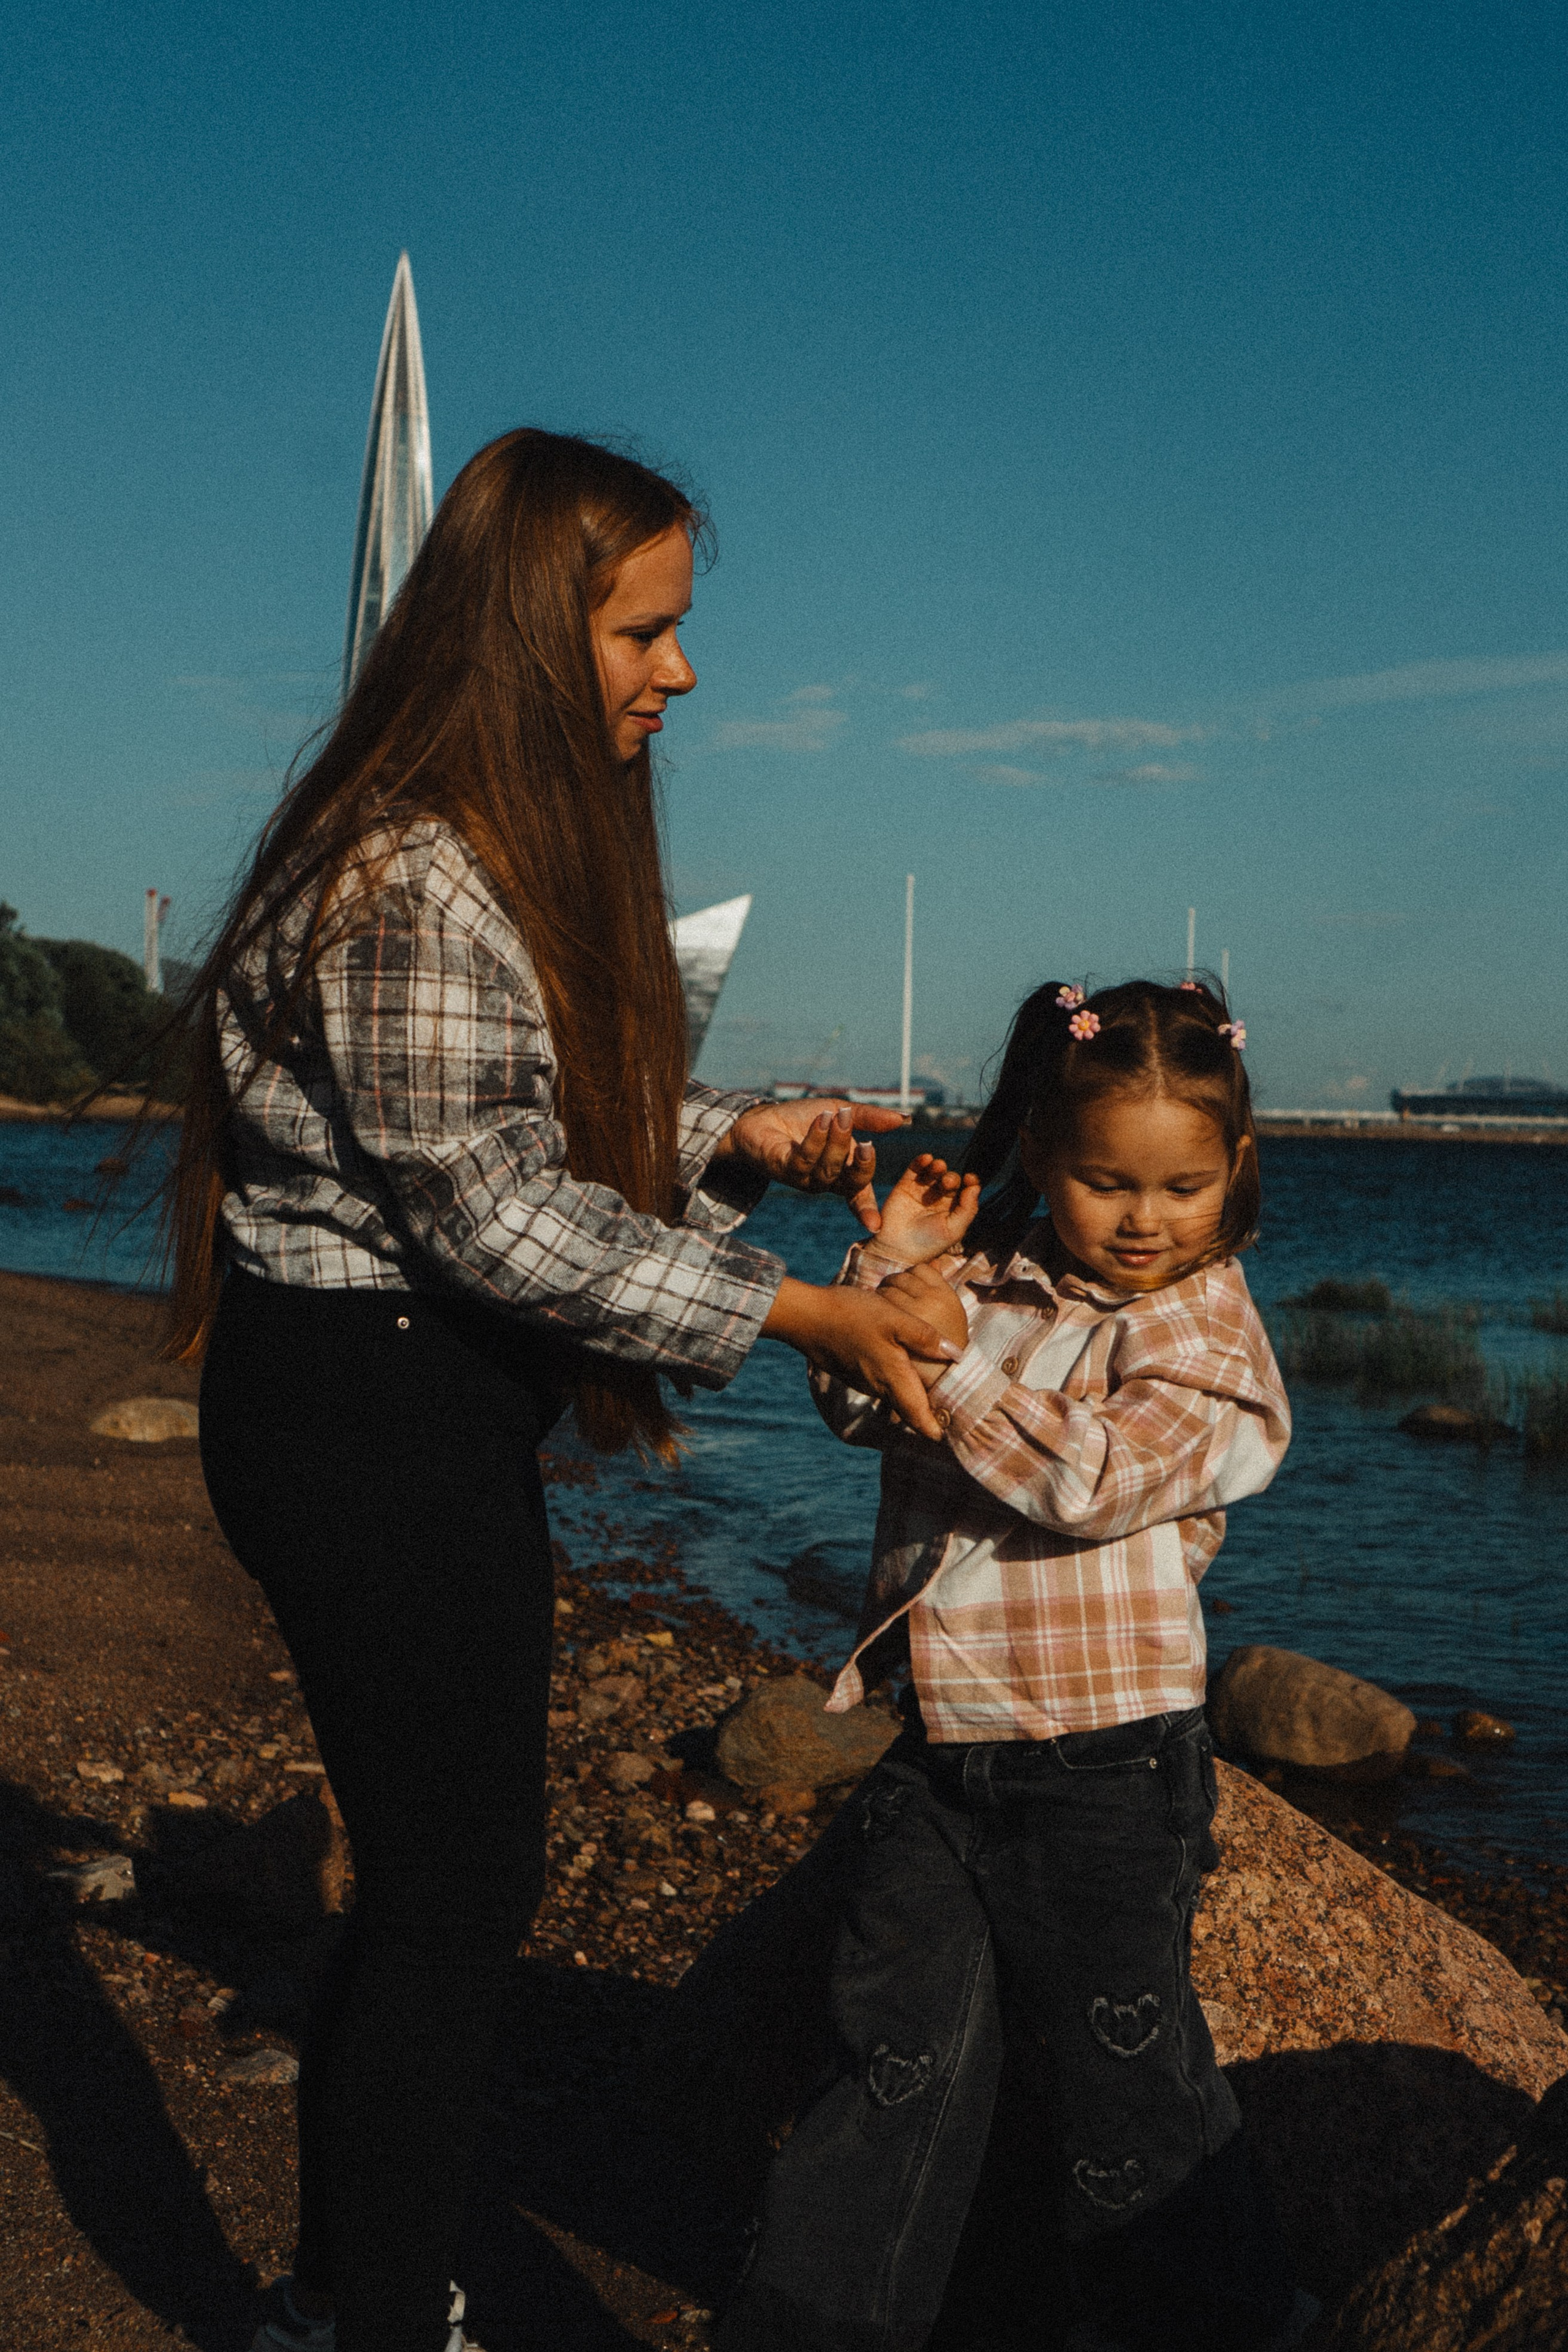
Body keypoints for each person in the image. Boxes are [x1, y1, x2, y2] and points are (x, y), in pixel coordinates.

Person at [161, 428, 962, 2352]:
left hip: (392, 1409)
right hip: (368, 1419)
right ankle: (376, 2314)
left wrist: (729, 1132)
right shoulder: (406, 878)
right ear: (530, 633)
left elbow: (499, 1127)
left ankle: (343, 2298)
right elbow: (490, 1212)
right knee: (454, 1899)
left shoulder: (462, 857)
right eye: (643, 630)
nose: (680, 669)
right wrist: (803, 1315)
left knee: (437, 1887)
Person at [717, 977, 1319, 2352]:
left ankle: (1228, 2325)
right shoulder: (993, 1282)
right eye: (1107, 1182)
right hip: (940, 1748)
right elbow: (857, 1408)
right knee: (891, 2054)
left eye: (1182, 1186)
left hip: (1106, 1767)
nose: (1144, 1218)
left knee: (1126, 2075)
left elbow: (1091, 1482)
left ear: (1234, 1168)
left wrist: (950, 1363)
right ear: (1041, 1155)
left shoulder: (1207, 1334)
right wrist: (888, 1279)